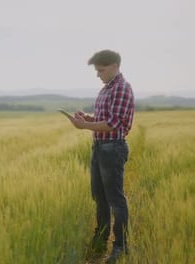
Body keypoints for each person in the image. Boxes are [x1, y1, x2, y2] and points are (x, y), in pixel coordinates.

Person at [69, 49, 135, 263]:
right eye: (96, 70)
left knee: (115, 199)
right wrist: (88, 118)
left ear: (115, 65)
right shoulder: (107, 89)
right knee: (100, 197)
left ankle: (120, 246)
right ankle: (101, 238)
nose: (98, 74)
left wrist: (85, 125)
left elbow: (113, 124)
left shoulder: (122, 88)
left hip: (112, 149)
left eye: (101, 69)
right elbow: (104, 118)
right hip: (99, 148)